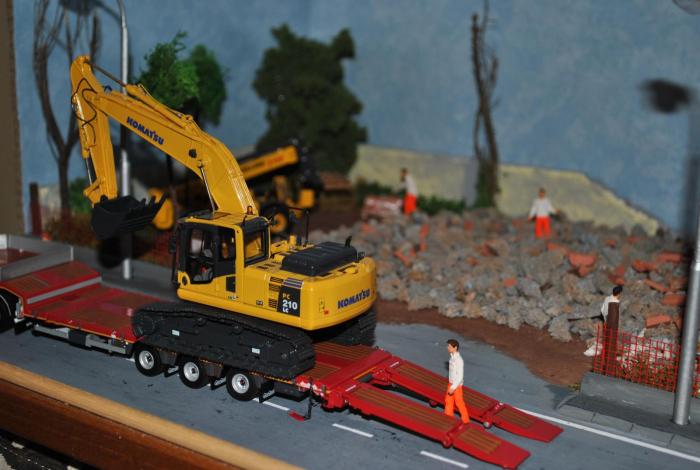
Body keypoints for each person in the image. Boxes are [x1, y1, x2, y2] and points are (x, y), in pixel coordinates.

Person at [444, 339, 470, 424]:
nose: (447, 348)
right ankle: (448, 417)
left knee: (459, 403)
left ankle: (466, 420)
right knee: (448, 401)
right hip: (451, 383)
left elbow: (460, 377)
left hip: (457, 386)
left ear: (455, 348)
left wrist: (453, 387)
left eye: (449, 346)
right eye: (448, 346)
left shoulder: (459, 360)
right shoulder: (452, 357)